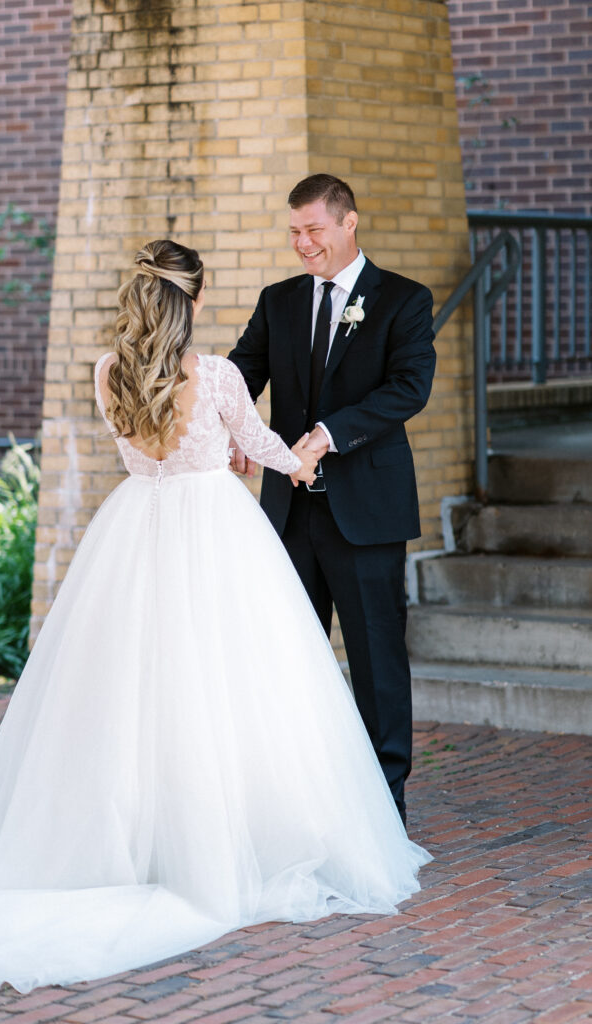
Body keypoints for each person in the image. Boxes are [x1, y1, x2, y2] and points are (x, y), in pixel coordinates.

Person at [0, 240, 430, 994]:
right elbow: (258, 445)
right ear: (193, 296)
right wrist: (302, 455)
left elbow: (154, 444)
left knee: (129, 689)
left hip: (134, 530)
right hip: (215, 533)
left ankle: (133, 838)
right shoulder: (214, 375)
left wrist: (229, 447)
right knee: (229, 683)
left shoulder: (106, 372)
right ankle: (227, 837)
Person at [228, 174, 436, 826]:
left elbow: (408, 388)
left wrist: (326, 435)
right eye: (293, 231)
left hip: (366, 512)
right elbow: (238, 373)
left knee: (376, 661)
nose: (302, 244)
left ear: (348, 223)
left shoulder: (402, 299)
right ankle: (298, 801)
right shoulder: (278, 300)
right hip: (288, 515)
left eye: (313, 229)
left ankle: (384, 807)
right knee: (290, 656)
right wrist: (229, 430)